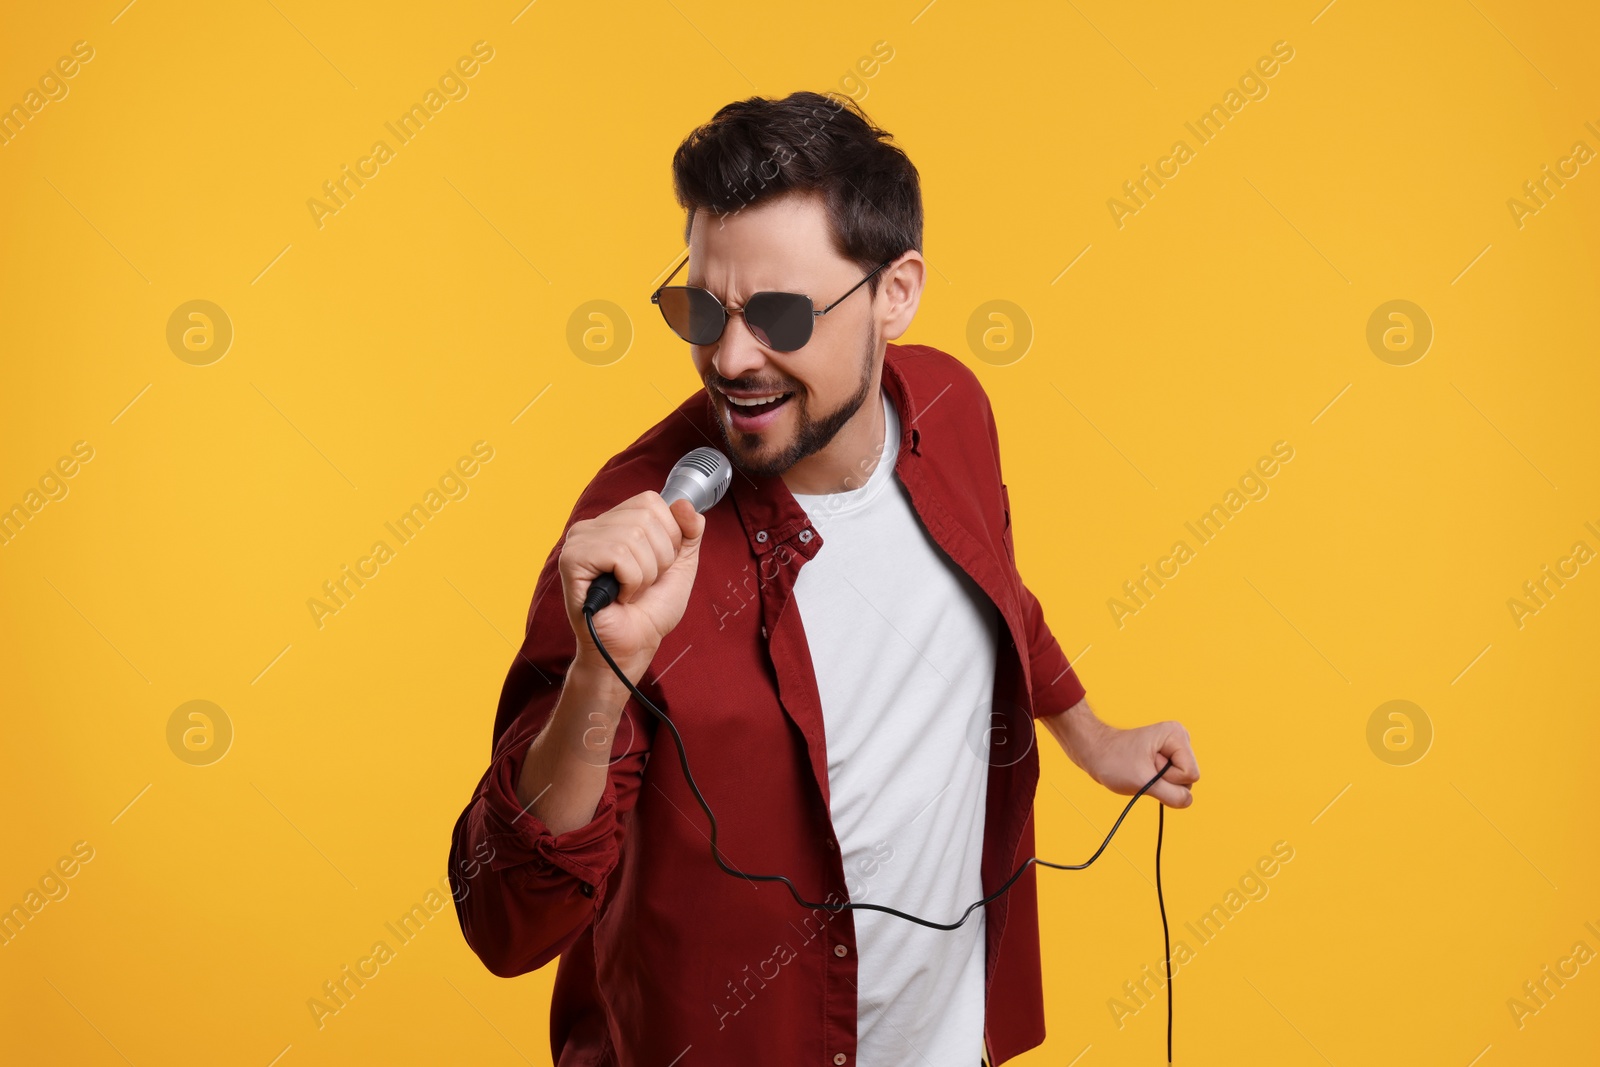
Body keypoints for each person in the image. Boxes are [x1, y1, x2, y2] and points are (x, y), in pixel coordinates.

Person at [447, 90, 1201, 1066]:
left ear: (896, 292)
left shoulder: (950, 407)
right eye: (701, 308)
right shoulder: (637, 533)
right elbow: (508, 918)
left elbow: (997, 586)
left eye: (778, 314)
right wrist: (601, 674)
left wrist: (1092, 735)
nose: (727, 356)